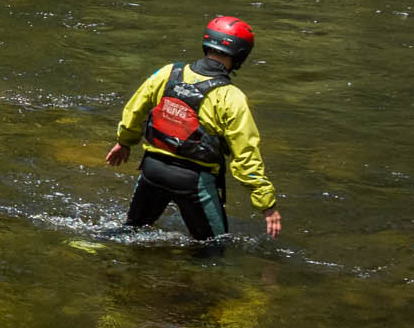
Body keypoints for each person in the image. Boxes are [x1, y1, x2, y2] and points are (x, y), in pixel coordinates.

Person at [104, 15, 282, 245]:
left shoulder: (168, 72)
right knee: (216, 248)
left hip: (152, 170)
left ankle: (92, 248)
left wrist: (124, 142)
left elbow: (135, 109)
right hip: (193, 182)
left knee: (130, 230)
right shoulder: (231, 97)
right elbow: (246, 156)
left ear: (207, 43)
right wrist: (266, 204)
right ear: (241, 54)